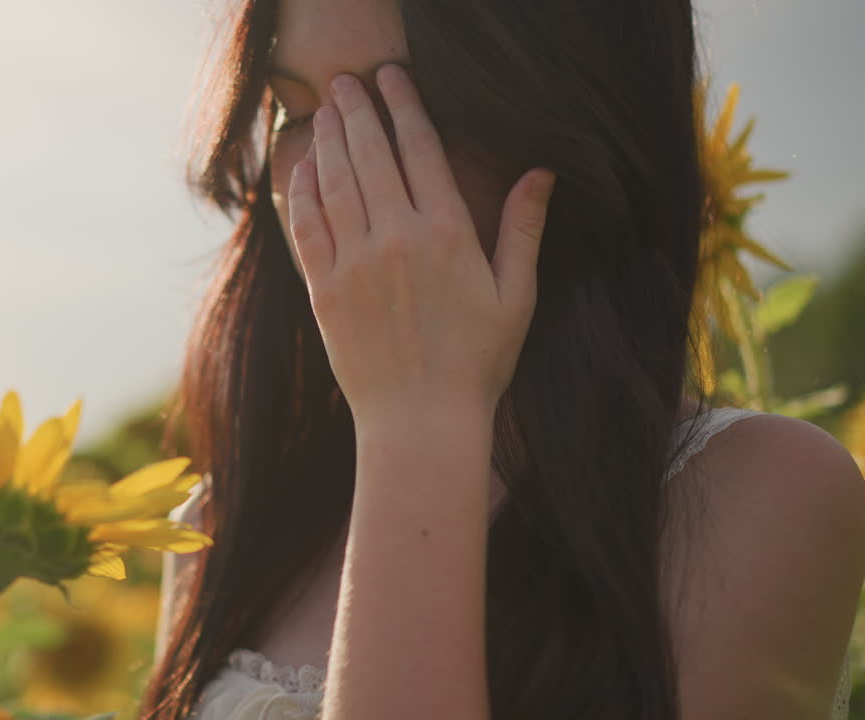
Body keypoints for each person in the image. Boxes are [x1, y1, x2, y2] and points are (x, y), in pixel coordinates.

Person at [140, 0, 865, 718]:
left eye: (403, 106)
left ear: (579, 110)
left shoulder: (760, 498)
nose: (327, 175)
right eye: (292, 113)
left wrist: (418, 423)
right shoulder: (220, 523)